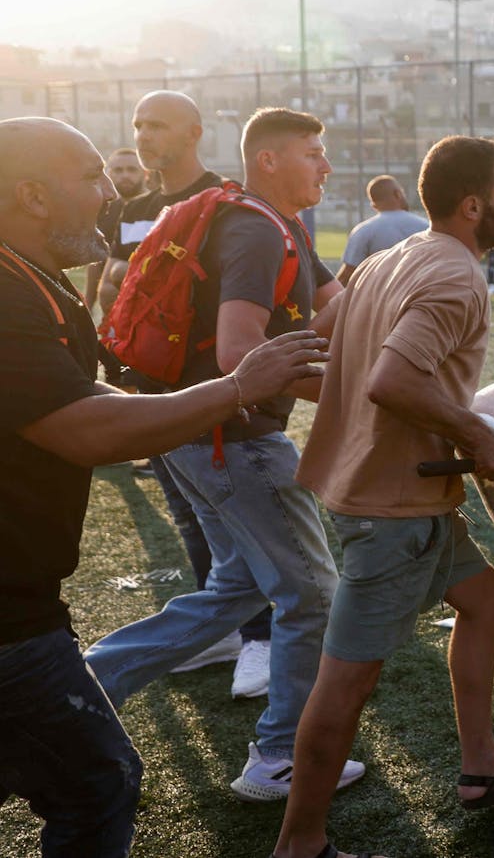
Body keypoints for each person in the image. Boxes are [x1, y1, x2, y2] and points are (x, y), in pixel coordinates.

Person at [0, 116, 327, 858]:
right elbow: (87, 428)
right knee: (98, 780)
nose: (111, 193)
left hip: (24, 605)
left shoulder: (34, 280)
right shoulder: (6, 293)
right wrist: (236, 386)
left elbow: (97, 407)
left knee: (236, 590)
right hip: (9, 619)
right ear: (33, 196)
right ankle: (279, 753)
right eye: (91, 176)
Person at [275, 135, 494, 858]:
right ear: (473, 205)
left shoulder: (386, 259)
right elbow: (392, 380)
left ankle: (481, 765)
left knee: (483, 597)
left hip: (395, 492)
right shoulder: (456, 278)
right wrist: (477, 432)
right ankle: (299, 844)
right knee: (347, 681)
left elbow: (321, 343)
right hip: (389, 508)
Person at [83, 107, 365, 799]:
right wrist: (355, 398)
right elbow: (242, 357)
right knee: (312, 594)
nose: (326, 166)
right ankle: (278, 756)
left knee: (235, 586)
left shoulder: (282, 225)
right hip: (233, 440)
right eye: (313, 152)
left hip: (198, 439)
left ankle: (83, 679)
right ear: (268, 160)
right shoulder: (256, 231)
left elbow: (342, 303)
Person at [100, 91, 278, 696]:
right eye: (138, 125)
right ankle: (225, 630)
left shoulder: (223, 201)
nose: (145, 136)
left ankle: (260, 637)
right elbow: (115, 285)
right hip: (151, 387)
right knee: (188, 513)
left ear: (195, 132)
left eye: (158, 125)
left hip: (207, 389)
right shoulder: (134, 207)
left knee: (235, 521)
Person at [333, 174, 428, 285]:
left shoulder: (363, 231)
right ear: (398, 194)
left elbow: (347, 275)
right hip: (417, 297)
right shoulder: (426, 227)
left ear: (374, 205)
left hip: (377, 300)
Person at [84, 147, 145, 319]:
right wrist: (88, 304)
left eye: (132, 170)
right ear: (108, 174)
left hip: (146, 306)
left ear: (145, 173)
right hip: (111, 309)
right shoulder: (103, 211)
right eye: (118, 170)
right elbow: (95, 260)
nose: (125, 175)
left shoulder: (158, 210)